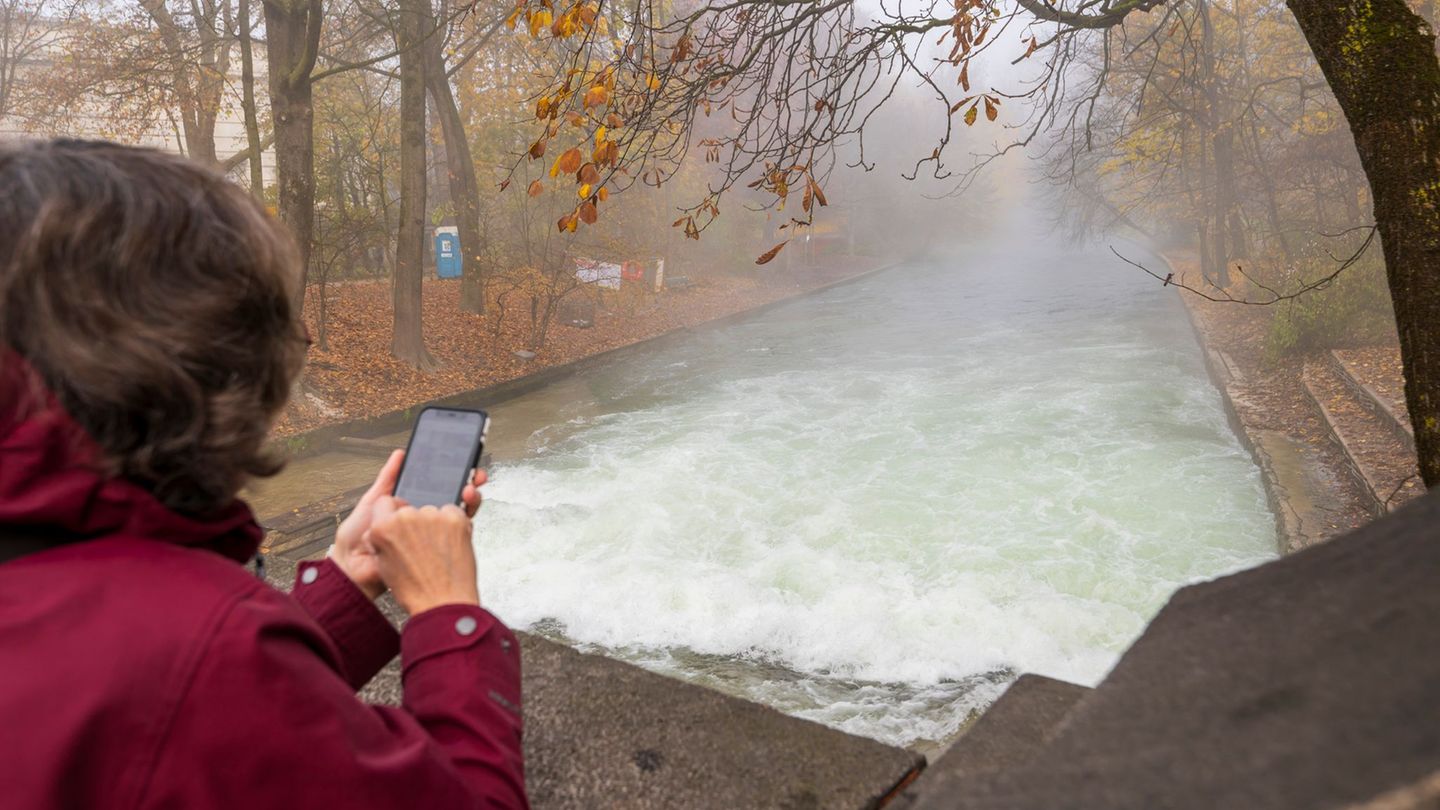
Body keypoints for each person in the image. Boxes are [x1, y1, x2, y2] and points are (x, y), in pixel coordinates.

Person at [0, 139, 528, 808]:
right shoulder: (208, 657)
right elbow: (195, 683)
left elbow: (175, 728)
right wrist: (449, 612)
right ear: (224, 366)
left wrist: (343, 578)